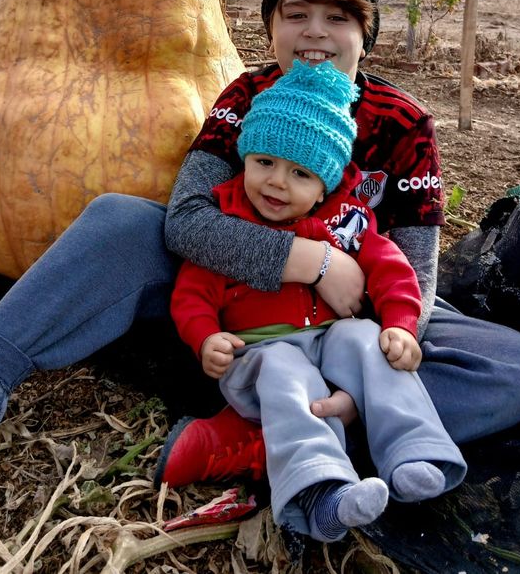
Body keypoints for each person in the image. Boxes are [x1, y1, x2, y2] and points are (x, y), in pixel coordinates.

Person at [0, 0, 520, 541]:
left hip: (345, 334)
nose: (315, 33)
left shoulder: (402, 123)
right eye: (294, 14)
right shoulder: (245, 95)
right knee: (119, 220)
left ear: (366, 31)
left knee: (518, 366)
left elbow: (416, 281)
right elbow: (187, 221)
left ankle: (273, 429)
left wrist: (371, 359)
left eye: (337, 17)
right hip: (229, 308)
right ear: (271, 25)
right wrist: (311, 261)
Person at [169, 59, 466, 541]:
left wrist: (400, 325)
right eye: (263, 162)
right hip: (259, 353)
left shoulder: (346, 222)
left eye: (300, 173)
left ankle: (414, 449)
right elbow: (192, 294)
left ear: (326, 183)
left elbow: (392, 269)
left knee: (368, 340)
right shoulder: (227, 218)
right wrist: (206, 337)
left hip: (329, 342)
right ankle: (321, 491)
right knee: (286, 371)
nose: (276, 183)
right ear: (245, 157)